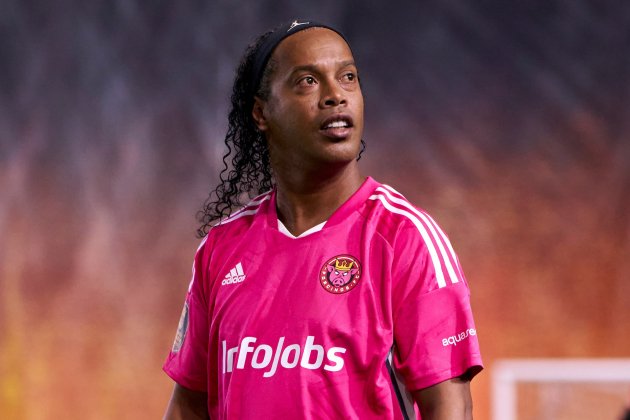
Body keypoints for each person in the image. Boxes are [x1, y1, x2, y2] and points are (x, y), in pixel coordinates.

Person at [163, 19, 483, 420]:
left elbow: (451, 407)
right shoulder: (222, 248)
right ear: (261, 113)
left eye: (348, 77)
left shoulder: (404, 237)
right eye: (308, 82)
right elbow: (188, 406)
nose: (336, 96)